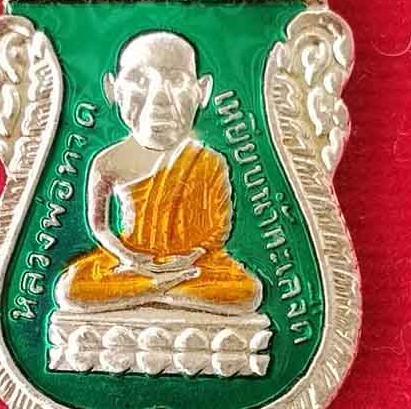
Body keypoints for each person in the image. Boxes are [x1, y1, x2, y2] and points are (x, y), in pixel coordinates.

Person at [55, 30, 262, 314]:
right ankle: (162, 289)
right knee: (71, 288)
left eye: (176, 80)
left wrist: (191, 256)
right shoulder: (107, 162)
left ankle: (149, 290)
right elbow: (100, 226)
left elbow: (219, 229)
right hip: (131, 262)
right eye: (139, 80)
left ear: (201, 91)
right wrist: (129, 257)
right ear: (113, 89)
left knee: (247, 290)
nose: (159, 98)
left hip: (193, 265)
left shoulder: (210, 161)